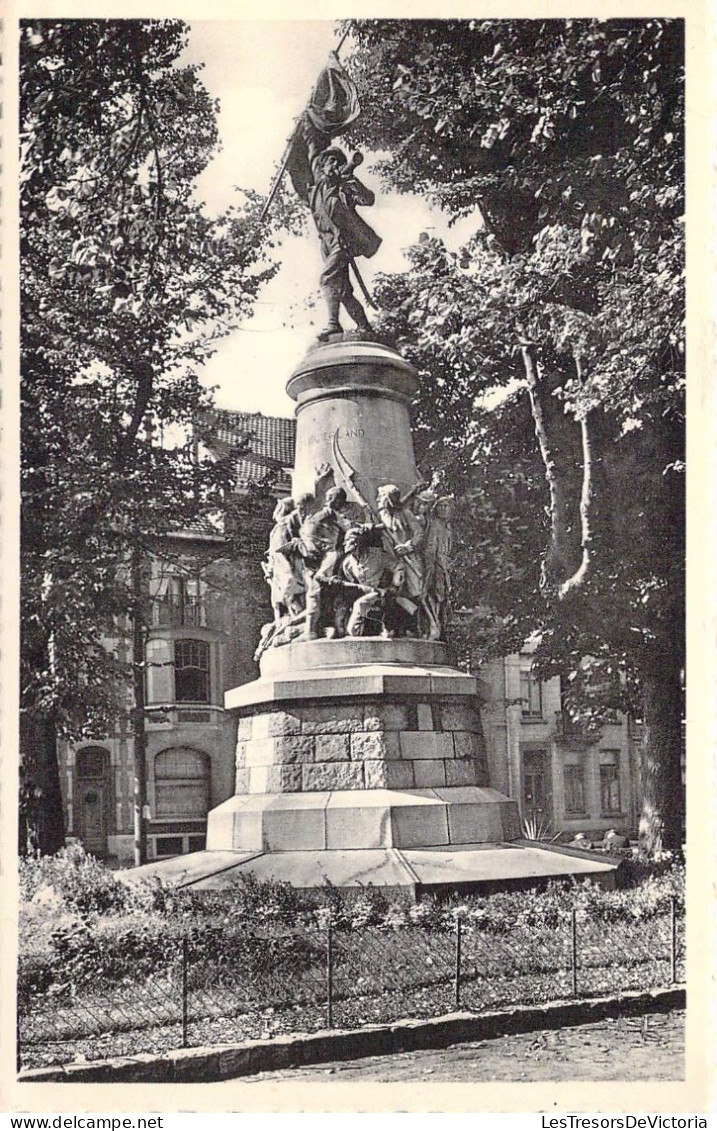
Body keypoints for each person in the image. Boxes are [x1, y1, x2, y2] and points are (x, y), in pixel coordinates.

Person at [307, 147, 381, 340]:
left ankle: (333, 324)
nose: (335, 166)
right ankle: (366, 328)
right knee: (344, 292)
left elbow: (368, 199)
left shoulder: (344, 189)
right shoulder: (316, 190)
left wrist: (353, 179)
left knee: (327, 278)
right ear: (322, 166)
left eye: (339, 162)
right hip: (328, 244)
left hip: (343, 241)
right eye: (331, 161)